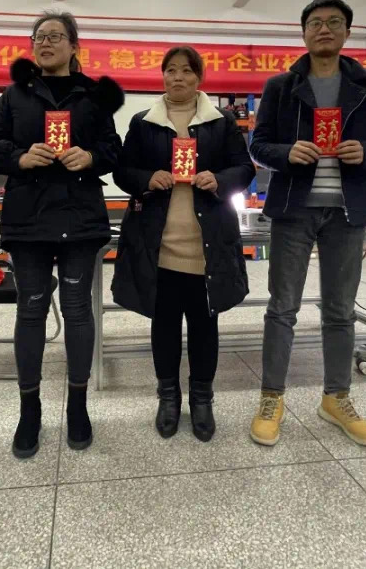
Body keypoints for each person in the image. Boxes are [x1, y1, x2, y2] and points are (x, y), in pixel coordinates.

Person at [248, 0, 366, 449]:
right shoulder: (282, 85)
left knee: (340, 309)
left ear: (348, 32)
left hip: (347, 210)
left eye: (334, 22)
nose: (324, 29)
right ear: (304, 33)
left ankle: (336, 398)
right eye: (315, 23)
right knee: (282, 307)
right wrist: (286, 152)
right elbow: (259, 144)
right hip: (294, 207)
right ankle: (271, 398)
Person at [0, 11, 124, 459]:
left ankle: (78, 405)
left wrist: (91, 157)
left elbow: (113, 149)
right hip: (29, 218)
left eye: (55, 36)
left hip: (80, 217)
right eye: (39, 37)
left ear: (74, 46)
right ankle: (30, 410)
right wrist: (21, 158)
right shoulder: (14, 95)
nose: (45, 43)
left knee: (78, 310)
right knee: (31, 310)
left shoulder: (94, 95)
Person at [112, 47, 255, 442]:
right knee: (164, 325)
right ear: (162, 76)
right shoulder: (144, 122)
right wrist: (146, 178)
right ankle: (168, 397)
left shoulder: (221, 122)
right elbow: (122, 170)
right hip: (158, 244)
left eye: (186, 71)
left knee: (205, 325)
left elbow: (244, 168)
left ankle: (203, 399)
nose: (178, 78)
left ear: (198, 78)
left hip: (206, 244)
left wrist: (220, 180)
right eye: (171, 70)